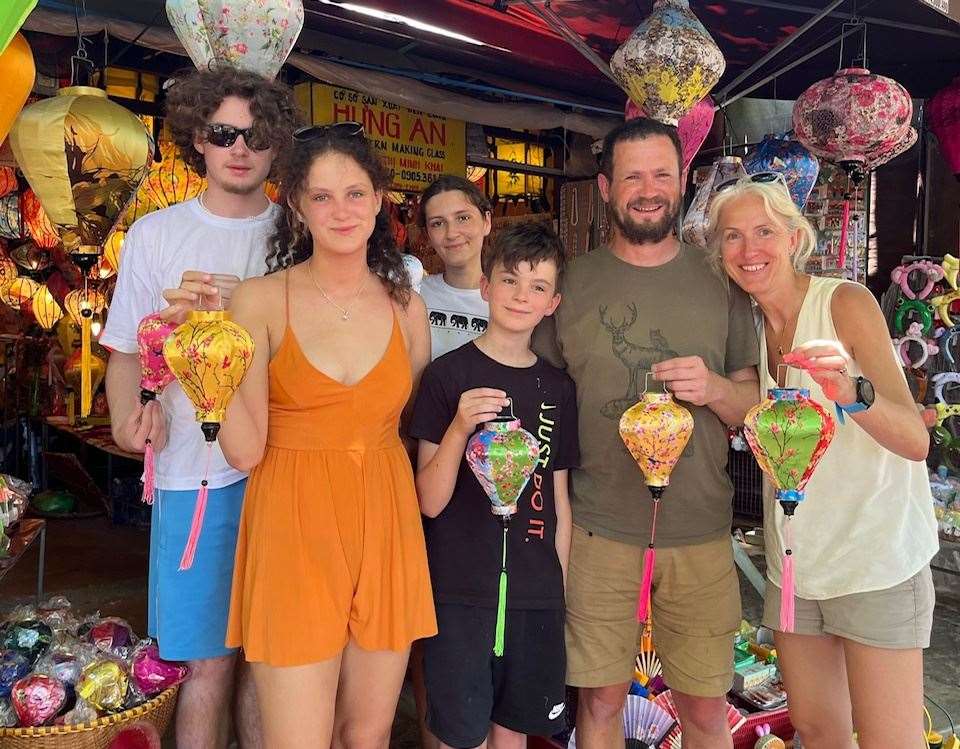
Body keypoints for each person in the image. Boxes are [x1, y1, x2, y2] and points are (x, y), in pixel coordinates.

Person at [533, 117, 760, 749]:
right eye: (632, 176)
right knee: (600, 703)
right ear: (606, 186)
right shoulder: (571, 284)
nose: (649, 188)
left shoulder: (722, 282)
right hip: (599, 530)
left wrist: (713, 387)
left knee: (706, 710)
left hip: (701, 530)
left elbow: (754, 411)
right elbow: (540, 396)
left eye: (662, 173)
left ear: (683, 179)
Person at [218, 122, 436, 748]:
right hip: (291, 525)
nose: (341, 210)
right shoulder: (258, 302)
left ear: (378, 200)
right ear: (296, 205)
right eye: (321, 196)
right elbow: (243, 450)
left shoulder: (407, 308)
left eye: (355, 193)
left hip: (387, 522)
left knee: (366, 735)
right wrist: (207, 366)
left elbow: (409, 424)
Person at [102, 67, 299, 748]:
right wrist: (130, 417)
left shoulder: (302, 235)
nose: (239, 148)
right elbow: (125, 349)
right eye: (223, 134)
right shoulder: (155, 235)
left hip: (286, 471)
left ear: (277, 145)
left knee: (271, 662)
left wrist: (253, 306)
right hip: (194, 474)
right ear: (198, 139)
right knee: (204, 664)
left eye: (256, 134)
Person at [707, 177, 939, 749]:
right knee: (815, 729)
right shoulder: (750, 326)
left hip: (874, 562)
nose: (748, 249)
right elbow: (753, 412)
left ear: (793, 236)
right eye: (732, 237)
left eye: (763, 232)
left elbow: (914, 440)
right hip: (797, 566)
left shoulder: (843, 303)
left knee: (890, 740)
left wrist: (851, 391)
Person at [411, 221, 577, 749]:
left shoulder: (557, 386)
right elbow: (429, 501)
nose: (521, 296)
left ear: (553, 302)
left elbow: (558, 504)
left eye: (537, 287)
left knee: (516, 736)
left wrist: (559, 590)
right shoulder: (446, 376)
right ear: (485, 286)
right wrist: (460, 426)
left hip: (536, 595)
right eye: (509, 280)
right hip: (460, 593)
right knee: (463, 737)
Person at [419, 175, 492, 359]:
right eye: (438, 223)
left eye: (463, 218)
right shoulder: (414, 294)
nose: (451, 233)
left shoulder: (511, 300)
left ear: (487, 222)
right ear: (428, 234)